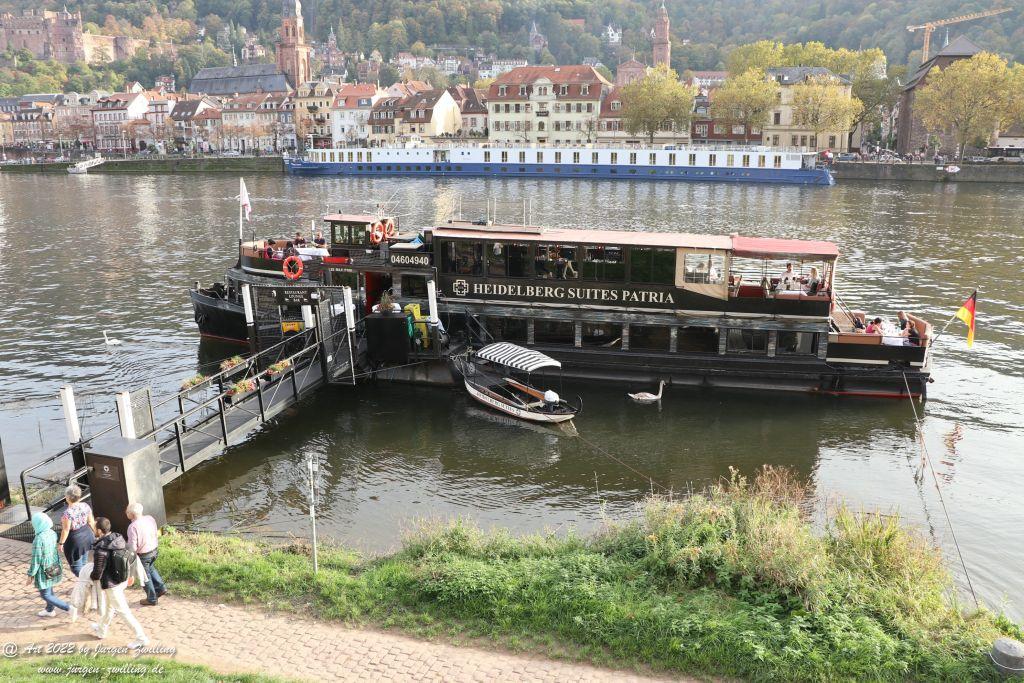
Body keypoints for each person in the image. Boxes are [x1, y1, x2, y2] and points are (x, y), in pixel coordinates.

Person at [90, 517, 150, 649]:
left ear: (99, 531)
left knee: (123, 611)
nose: (93, 529)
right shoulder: (117, 538)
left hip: (112, 584)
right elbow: (131, 554)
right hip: (121, 579)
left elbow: (97, 573)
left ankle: (141, 638)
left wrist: (90, 576)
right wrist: (131, 575)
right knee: (110, 607)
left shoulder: (101, 549)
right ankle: (101, 629)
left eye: (94, 528)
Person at [28, 512, 76, 620]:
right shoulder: (52, 533)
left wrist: (30, 574)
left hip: (44, 570)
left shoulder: (38, 539)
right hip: (53, 566)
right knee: (49, 588)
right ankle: (50, 610)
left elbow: (36, 559)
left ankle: (68, 608)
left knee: (46, 594)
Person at [126, 503, 166, 607]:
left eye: (127, 511)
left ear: (131, 514)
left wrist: (130, 558)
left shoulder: (132, 527)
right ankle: (160, 588)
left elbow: (133, 547)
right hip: (154, 550)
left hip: (144, 554)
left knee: (144, 576)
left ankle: (152, 598)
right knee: (151, 568)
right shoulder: (150, 518)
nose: (126, 513)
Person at [58, 485, 95, 577]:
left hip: (75, 540)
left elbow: (66, 530)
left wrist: (61, 543)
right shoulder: (85, 506)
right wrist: (95, 534)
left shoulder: (67, 513)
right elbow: (91, 522)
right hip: (87, 535)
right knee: (84, 562)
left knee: (76, 566)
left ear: (68, 497)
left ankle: (88, 581)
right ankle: (86, 582)